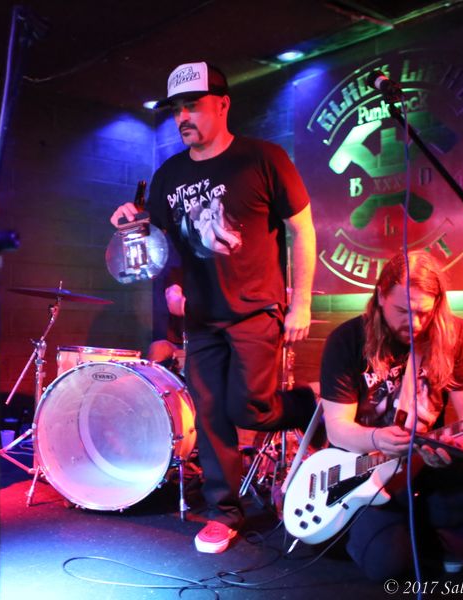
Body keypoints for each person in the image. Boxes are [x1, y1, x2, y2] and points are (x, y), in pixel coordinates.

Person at [111, 62, 317, 553]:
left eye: (193, 105)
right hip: (202, 317)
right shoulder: (169, 174)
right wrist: (129, 222)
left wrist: (301, 303)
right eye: (176, 109)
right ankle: (224, 513)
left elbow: (303, 229)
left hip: (256, 309)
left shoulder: (263, 158)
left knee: (250, 408)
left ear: (223, 104)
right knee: (208, 414)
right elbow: (158, 243)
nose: (183, 117)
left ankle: (309, 404)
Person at [320, 252, 463, 579]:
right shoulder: (348, 339)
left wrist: (454, 447)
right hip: (366, 469)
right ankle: (408, 529)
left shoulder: (456, 334)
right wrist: (377, 438)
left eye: (424, 312)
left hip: (423, 462)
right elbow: (338, 430)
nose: (414, 323)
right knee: (389, 565)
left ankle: (419, 525)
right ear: (381, 296)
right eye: (403, 311)